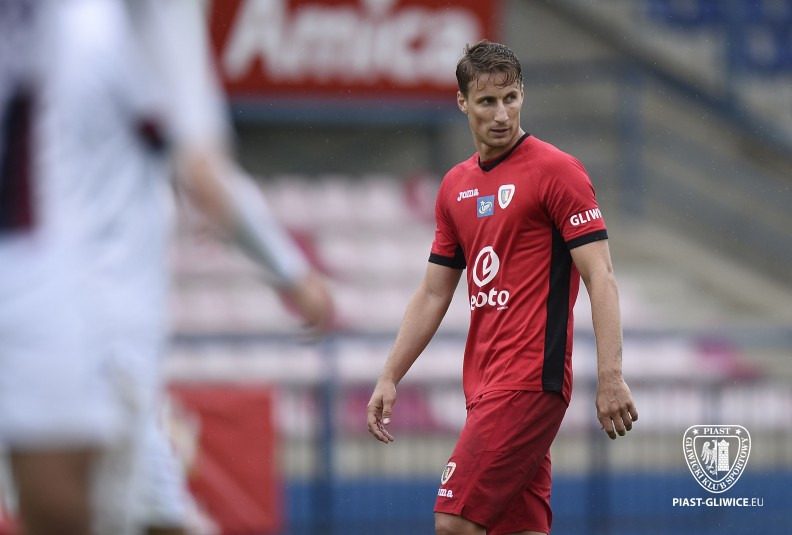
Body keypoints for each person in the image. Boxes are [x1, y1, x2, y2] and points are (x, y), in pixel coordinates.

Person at [0, 1, 333, 534]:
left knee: (117, 511)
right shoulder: (143, 21)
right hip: (102, 334)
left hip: (39, 316)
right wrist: (292, 274)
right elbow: (204, 177)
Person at [366, 40, 638, 535]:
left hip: (530, 380)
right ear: (462, 102)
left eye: (510, 98)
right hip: (484, 385)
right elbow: (433, 292)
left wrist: (611, 376)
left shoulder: (557, 171)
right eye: (487, 101)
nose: (501, 114)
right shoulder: (454, 187)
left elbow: (601, 275)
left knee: (453, 520)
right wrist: (390, 375)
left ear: (523, 95)